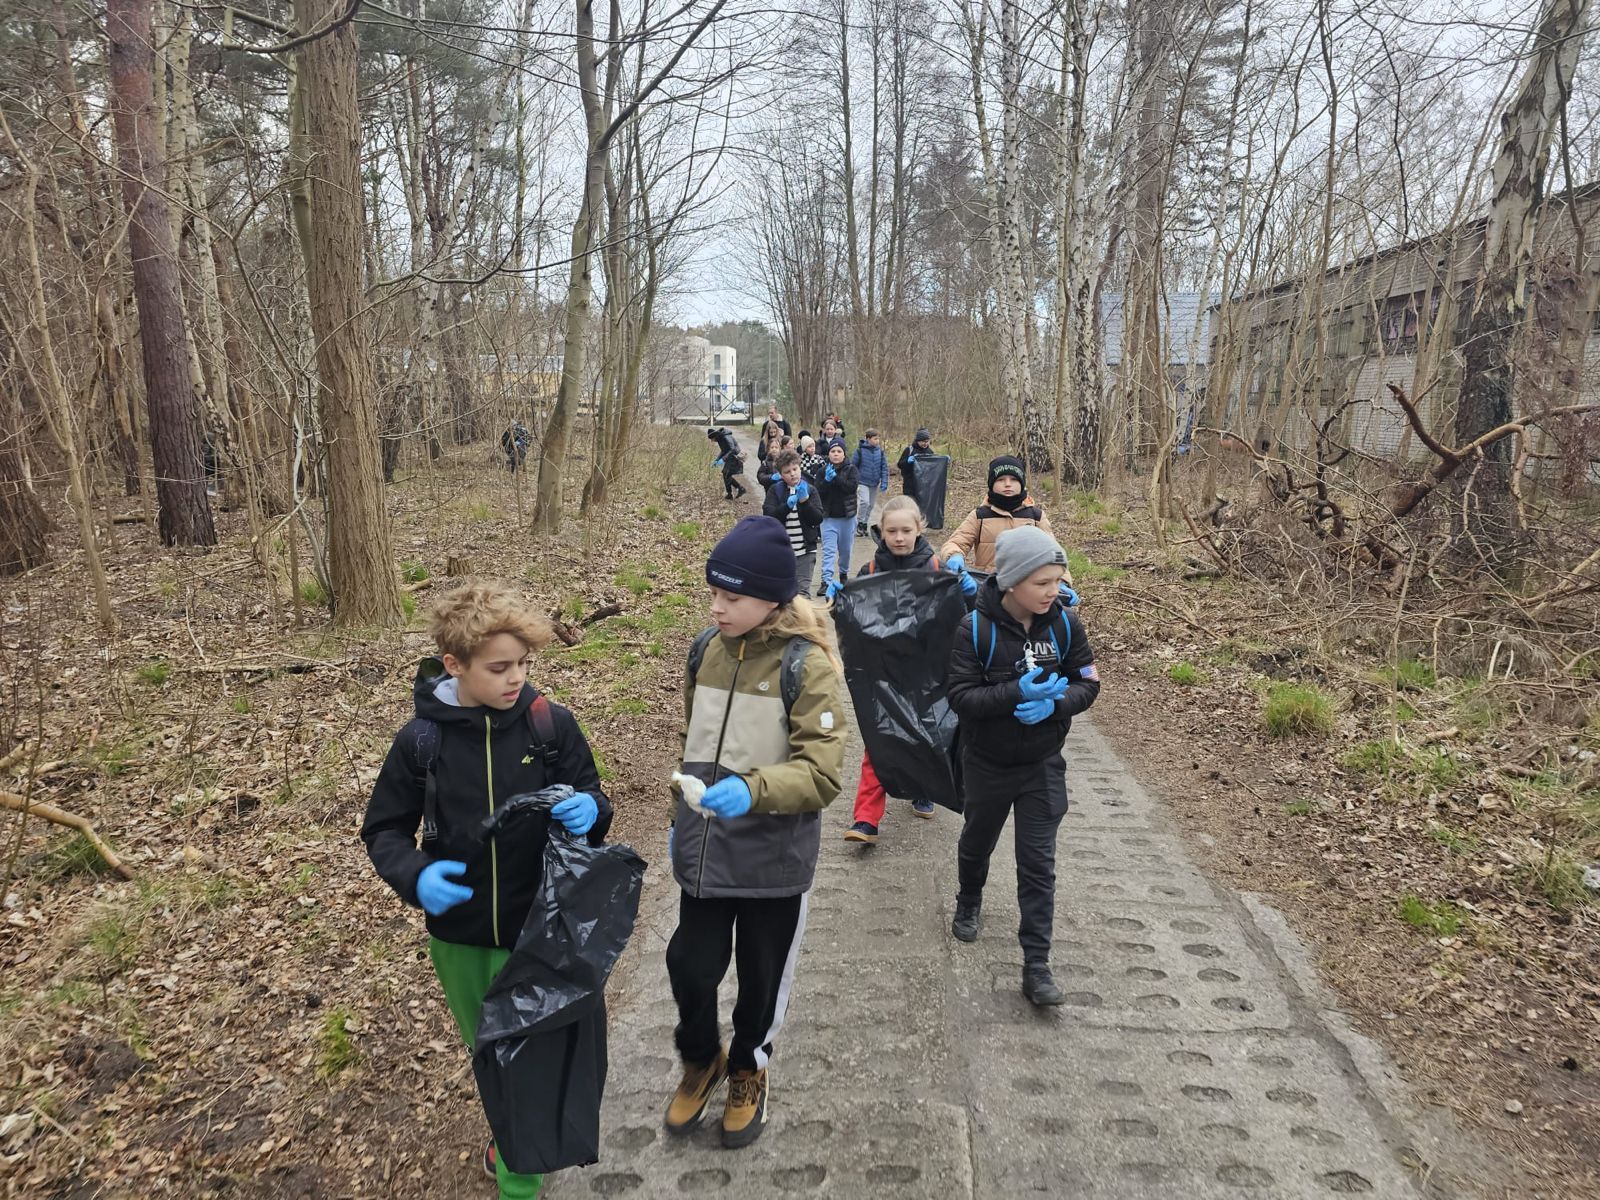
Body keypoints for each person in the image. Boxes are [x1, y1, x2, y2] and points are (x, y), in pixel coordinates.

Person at [361, 581, 613, 1198]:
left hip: (545, 930)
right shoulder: (422, 743)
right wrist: (415, 876)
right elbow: (384, 830)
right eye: (499, 668)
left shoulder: (550, 725)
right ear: (454, 665)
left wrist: (591, 809)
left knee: (534, 1058)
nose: (516, 678)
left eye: (523, 663)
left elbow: (593, 798)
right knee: (493, 1053)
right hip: (463, 939)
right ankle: (512, 1131)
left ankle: (517, 1181)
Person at [664, 515, 845, 1149]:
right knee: (689, 967)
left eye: (730, 597)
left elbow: (822, 774)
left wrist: (752, 789)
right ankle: (701, 1059)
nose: (716, 607)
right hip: (706, 856)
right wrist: (678, 819)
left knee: (761, 980)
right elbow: (692, 743)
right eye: (712, 593)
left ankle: (747, 1069)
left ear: (770, 598)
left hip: (773, 862)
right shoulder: (705, 650)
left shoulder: (806, 665)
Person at [945, 528, 1099, 1008]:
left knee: (1037, 864)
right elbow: (960, 697)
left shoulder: (1066, 625)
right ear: (1012, 581)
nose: (1055, 591)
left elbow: (1087, 682)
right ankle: (969, 897)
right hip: (987, 762)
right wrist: (1015, 693)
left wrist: (1056, 706)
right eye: (1043, 582)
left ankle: (1037, 965)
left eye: (1058, 580)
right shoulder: (973, 629)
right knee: (977, 842)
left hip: (1042, 764)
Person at [837, 496, 976, 843]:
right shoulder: (870, 572)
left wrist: (969, 595)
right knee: (879, 740)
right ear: (881, 532)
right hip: (884, 672)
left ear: (919, 529)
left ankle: (922, 789)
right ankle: (865, 819)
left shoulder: (936, 569)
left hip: (929, 673)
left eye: (905, 530)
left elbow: (962, 619)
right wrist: (842, 601)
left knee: (928, 735)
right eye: (891, 531)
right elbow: (857, 623)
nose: (899, 537)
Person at [939, 455, 1064, 579]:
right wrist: (954, 555)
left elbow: (1055, 554)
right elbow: (955, 543)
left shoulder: (1036, 517)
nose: (1007, 484)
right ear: (992, 484)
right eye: (1001, 479)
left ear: (1022, 483)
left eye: (1014, 479)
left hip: (1027, 587)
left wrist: (1063, 581)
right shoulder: (980, 516)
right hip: (987, 585)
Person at [762, 449, 824, 597]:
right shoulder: (775, 490)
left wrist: (805, 502)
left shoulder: (810, 489)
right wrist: (786, 507)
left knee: (803, 594)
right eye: (787, 472)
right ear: (781, 475)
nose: (792, 474)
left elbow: (818, 519)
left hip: (806, 550)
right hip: (782, 551)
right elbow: (769, 517)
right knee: (785, 594)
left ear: (799, 468)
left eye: (795, 469)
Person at [815, 438, 859, 593]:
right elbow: (818, 491)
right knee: (829, 551)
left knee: (845, 551)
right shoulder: (822, 471)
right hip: (828, 518)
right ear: (828, 454)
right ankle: (826, 581)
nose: (835, 454)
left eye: (839, 451)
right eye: (833, 451)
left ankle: (843, 574)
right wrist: (827, 480)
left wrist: (836, 479)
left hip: (847, 517)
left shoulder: (851, 469)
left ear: (844, 454)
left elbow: (851, 488)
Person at [851, 428, 890, 538]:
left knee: (871, 504)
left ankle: (865, 523)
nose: (877, 441)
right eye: (875, 439)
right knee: (865, 502)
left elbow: (884, 467)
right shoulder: (860, 451)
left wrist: (884, 482)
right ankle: (859, 522)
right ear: (868, 439)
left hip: (874, 482)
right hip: (862, 481)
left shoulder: (880, 452)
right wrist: (854, 480)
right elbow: (853, 466)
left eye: (878, 439)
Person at [708, 427, 747, 500]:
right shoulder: (720, 439)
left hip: (735, 457)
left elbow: (732, 449)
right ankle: (732, 493)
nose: (712, 441)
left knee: (726, 474)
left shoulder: (726, 437)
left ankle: (738, 489)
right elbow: (723, 451)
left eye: (712, 439)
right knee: (726, 474)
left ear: (715, 436)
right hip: (730, 457)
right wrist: (717, 460)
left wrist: (723, 459)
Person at [896, 428, 934, 503]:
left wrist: (944, 460)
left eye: (927, 441)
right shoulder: (909, 450)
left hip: (924, 487)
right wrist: (907, 461)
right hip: (910, 486)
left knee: (921, 507)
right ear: (917, 441)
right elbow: (900, 464)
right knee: (910, 506)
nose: (925, 443)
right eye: (923, 441)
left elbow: (933, 468)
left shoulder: (930, 452)